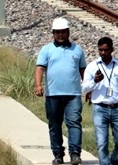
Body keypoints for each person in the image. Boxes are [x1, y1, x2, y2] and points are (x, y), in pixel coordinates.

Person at [35, 17, 87, 165]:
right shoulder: (47, 49)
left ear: (68, 32)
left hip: (73, 95)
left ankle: (75, 154)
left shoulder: (77, 49)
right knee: (54, 124)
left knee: (74, 123)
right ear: (53, 33)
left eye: (63, 32)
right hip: (53, 95)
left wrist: (89, 88)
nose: (60, 35)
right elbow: (40, 68)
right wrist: (38, 85)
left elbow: (83, 70)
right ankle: (58, 154)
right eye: (57, 32)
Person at [80, 37, 118, 165]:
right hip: (100, 108)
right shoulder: (92, 66)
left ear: (112, 50)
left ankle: (114, 162)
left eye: (106, 50)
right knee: (101, 143)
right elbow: (83, 89)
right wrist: (95, 81)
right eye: (100, 50)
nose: (103, 53)